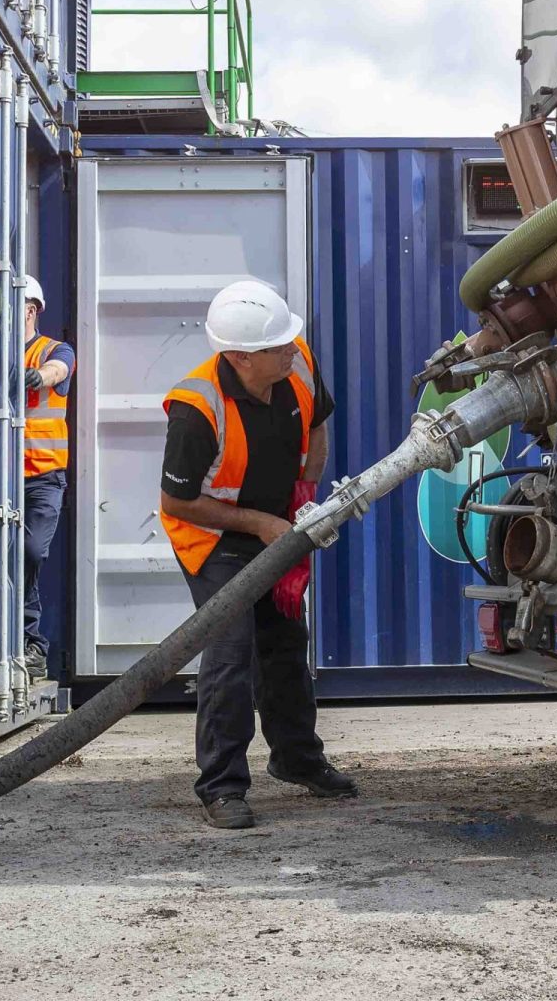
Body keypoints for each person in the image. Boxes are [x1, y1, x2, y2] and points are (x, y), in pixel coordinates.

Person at [159, 280, 356, 830]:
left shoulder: (295, 358)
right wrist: (259, 524)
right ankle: (221, 787)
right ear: (242, 357)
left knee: (285, 639)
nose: (293, 347)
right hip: (215, 536)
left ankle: (297, 759)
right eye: (278, 346)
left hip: (277, 521)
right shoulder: (197, 408)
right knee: (231, 648)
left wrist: (304, 495)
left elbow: (316, 423)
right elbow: (176, 500)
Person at [23, 276, 75, 682]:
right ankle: (27, 645)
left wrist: (40, 377)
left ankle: (33, 643)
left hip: (42, 476)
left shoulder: (51, 350)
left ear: (32, 310)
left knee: (30, 552)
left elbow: (61, 367)